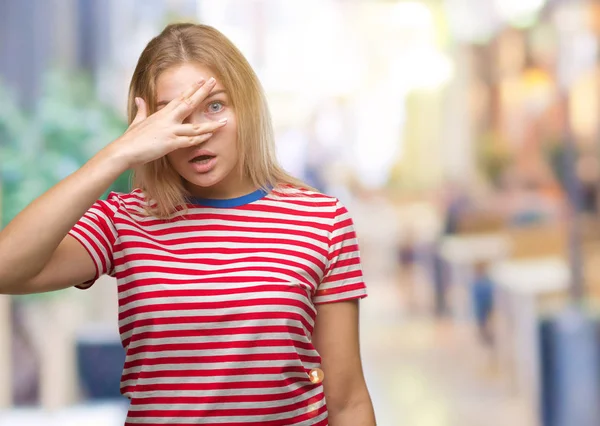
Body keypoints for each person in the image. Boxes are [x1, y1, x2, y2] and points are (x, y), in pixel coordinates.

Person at [0, 23, 376, 425]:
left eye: (214, 105)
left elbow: (347, 400)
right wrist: (117, 155)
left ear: (245, 106)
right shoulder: (123, 221)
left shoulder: (321, 220)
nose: (197, 133)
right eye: (173, 113)